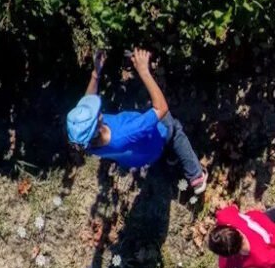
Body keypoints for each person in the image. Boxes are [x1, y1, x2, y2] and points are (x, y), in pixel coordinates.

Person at [66, 49, 208, 193]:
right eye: (95, 112)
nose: (94, 106)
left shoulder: (85, 142)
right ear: (97, 125)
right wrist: (143, 71)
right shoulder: (127, 131)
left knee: (156, 137)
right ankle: (196, 176)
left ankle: (170, 155)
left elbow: (88, 101)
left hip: (137, 158)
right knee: (174, 129)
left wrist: (96, 73)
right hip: (154, 142)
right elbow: (161, 108)